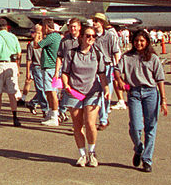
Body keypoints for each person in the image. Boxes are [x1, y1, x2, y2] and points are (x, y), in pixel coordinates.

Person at [115, 29, 167, 172]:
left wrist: (163, 99)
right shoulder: (127, 57)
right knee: (135, 127)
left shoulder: (153, 58)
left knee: (151, 126)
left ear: (147, 42)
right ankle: (139, 148)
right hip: (134, 93)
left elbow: (160, 79)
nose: (139, 43)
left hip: (151, 93)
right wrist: (119, 80)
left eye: (142, 41)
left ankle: (147, 159)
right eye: (137, 41)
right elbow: (117, 69)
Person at [61, 25, 109, 167]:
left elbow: (101, 74)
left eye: (93, 36)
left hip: (92, 92)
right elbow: (65, 72)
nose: (91, 39)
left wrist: (106, 88)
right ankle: (82, 154)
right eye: (88, 36)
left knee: (90, 123)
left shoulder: (97, 53)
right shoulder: (71, 53)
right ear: (81, 37)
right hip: (74, 91)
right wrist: (66, 85)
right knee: (77, 125)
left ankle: (92, 153)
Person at [92, 13, 123, 129]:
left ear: (101, 23)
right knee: (97, 94)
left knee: (106, 94)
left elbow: (115, 52)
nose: (94, 23)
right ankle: (103, 120)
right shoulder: (92, 36)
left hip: (107, 66)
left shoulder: (110, 36)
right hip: (95, 68)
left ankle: (104, 116)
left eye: (96, 21)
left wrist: (117, 69)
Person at [38, 18, 63, 126]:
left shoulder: (50, 37)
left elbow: (36, 45)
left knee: (52, 92)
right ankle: (51, 112)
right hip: (52, 67)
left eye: (43, 28)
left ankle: (54, 116)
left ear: (47, 27)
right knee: (49, 91)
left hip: (50, 68)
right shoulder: (57, 36)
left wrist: (37, 35)